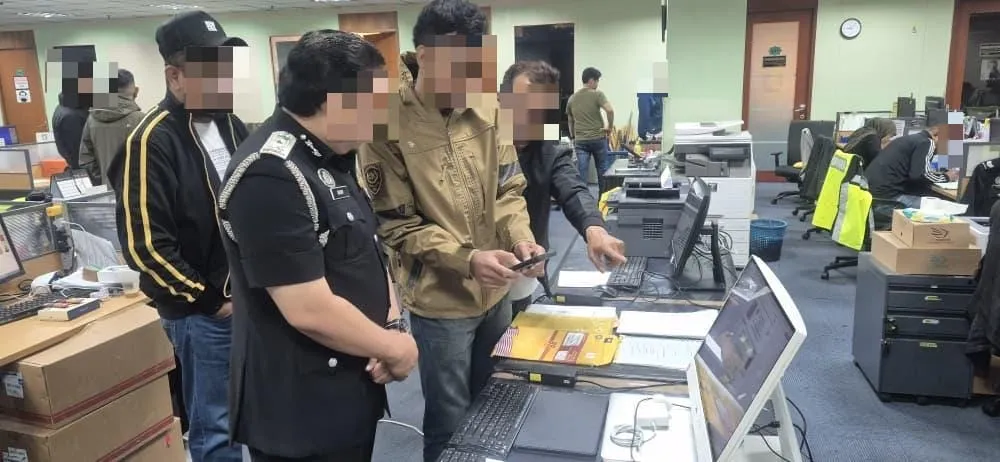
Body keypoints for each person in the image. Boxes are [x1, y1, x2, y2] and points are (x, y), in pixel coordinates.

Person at [218, 30, 418, 462]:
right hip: (300, 411)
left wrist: (391, 326)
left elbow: (367, 249)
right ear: (335, 101)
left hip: (350, 382)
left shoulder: (333, 156)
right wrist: (393, 348)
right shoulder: (270, 174)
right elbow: (307, 308)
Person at [360, 1, 545, 461]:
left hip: (496, 291)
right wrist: (467, 259)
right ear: (425, 56)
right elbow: (397, 225)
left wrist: (520, 237)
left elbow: (508, 188)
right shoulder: (384, 121)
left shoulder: (487, 106)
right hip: (441, 302)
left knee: (495, 404)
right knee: (450, 423)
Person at [106, 10, 248, 462]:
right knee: (217, 428)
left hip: (249, 300)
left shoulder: (230, 124)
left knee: (251, 413)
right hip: (203, 313)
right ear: (175, 76)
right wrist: (209, 300)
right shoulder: (150, 140)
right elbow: (145, 245)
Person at [499, 60, 627, 314]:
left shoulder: (548, 146)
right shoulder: (476, 143)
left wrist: (595, 229)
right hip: (471, 278)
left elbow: (573, 189)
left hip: (524, 269)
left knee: (516, 331)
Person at [865, 109, 956, 208]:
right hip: (889, 199)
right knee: (942, 206)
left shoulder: (911, 139)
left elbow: (915, 173)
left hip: (872, 196)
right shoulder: (927, 142)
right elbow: (920, 175)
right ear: (937, 134)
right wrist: (947, 177)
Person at [79, 68, 143, 185]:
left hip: (106, 189)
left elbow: (86, 158)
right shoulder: (141, 119)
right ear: (136, 90)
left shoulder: (92, 119)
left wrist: (102, 180)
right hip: (136, 189)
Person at [567, 66, 614, 188]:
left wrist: (573, 137)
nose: (597, 84)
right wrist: (609, 127)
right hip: (597, 138)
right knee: (602, 170)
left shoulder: (572, 98)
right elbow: (610, 110)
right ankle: (602, 198)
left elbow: (570, 120)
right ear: (591, 80)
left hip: (580, 141)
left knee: (582, 172)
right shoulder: (597, 94)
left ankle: (582, 199)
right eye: (597, 81)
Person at [52, 91, 90, 169]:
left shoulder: (65, 106)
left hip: (79, 161)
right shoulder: (71, 116)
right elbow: (77, 148)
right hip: (82, 164)